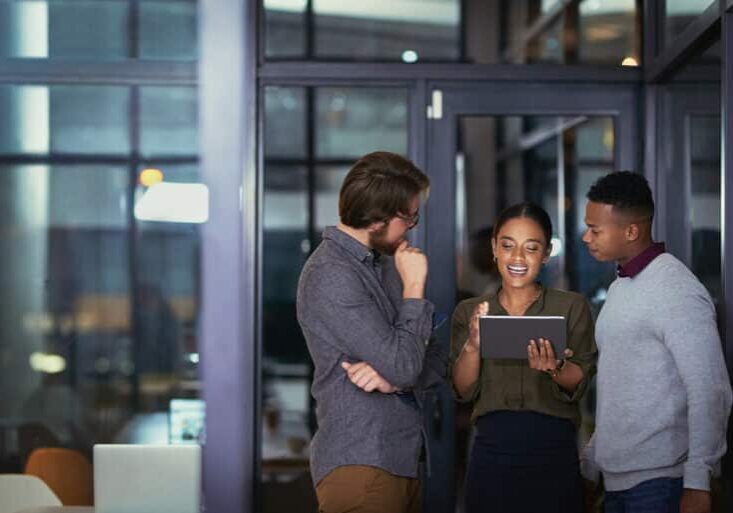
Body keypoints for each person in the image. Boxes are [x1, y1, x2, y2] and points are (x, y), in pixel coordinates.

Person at [296, 151, 446, 513]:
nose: (412, 226)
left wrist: (396, 381)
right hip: (362, 462)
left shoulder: (381, 265)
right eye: (409, 216)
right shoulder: (331, 273)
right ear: (380, 219)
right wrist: (414, 288)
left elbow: (436, 356)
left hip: (400, 458)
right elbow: (406, 362)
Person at [580, 171, 732, 513]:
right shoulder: (622, 287)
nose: (586, 237)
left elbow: (710, 389)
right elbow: (621, 389)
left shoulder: (677, 290)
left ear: (631, 231)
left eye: (596, 229)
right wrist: (591, 463)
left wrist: (698, 480)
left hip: (661, 484)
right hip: (617, 481)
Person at [450, 202, 597, 513]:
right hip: (492, 452)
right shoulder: (470, 310)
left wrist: (556, 367)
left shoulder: (571, 307)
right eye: (507, 246)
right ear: (494, 248)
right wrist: (474, 346)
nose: (517, 258)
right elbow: (463, 389)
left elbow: (579, 383)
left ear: (545, 254)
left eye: (531, 248)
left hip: (554, 452)